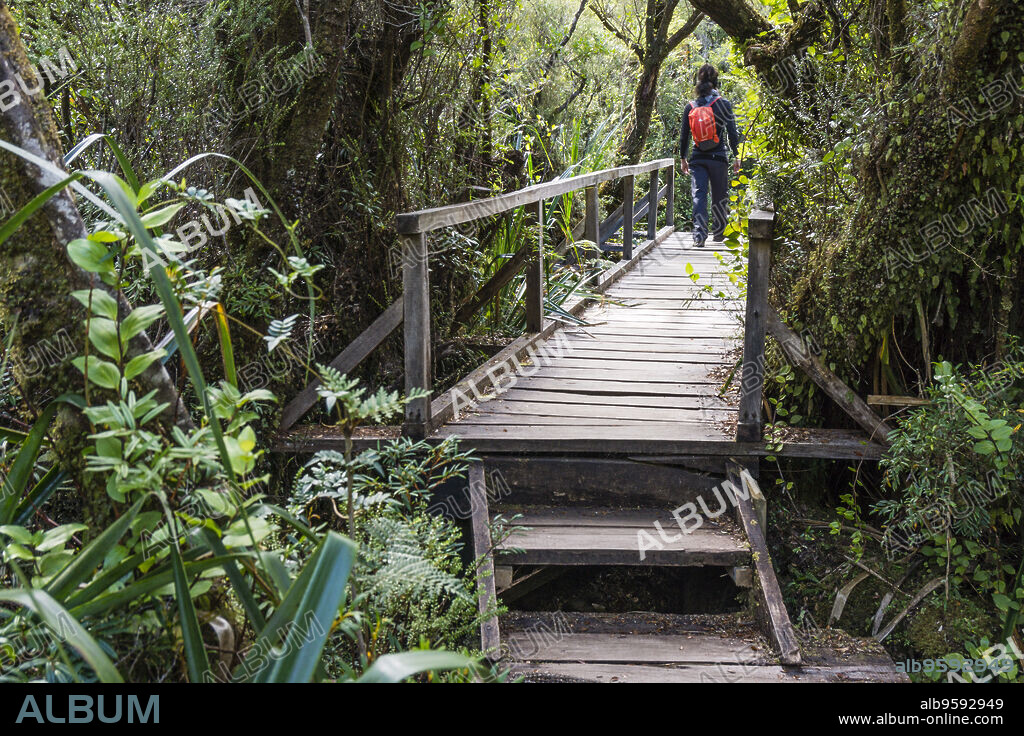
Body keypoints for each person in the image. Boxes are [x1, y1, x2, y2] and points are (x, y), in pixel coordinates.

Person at [679, 64, 741, 247]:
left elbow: (684, 136)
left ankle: (699, 235)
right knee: (720, 194)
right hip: (719, 158)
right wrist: (737, 156)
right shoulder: (724, 104)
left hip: (698, 158)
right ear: (715, 83)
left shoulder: (690, 106)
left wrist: (683, 158)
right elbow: (732, 133)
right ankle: (719, 232)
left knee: (699, 195)